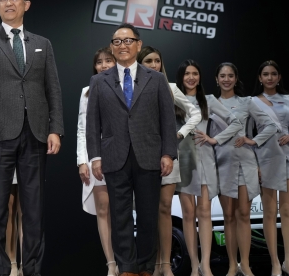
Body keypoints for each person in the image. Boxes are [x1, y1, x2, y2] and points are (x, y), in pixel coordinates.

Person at [0, 0, 64, 275]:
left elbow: (54, 90)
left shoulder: (42, 44)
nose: (9, 3)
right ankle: (1, 270)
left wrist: (55, 128)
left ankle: (32, 270)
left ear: (26, 5)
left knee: (33, 211)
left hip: (35, 135)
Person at [86, 23, 177, 276]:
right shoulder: (98, 81)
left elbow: (168, 120)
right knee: (120, 215)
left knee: (149, 215)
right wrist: (95, 157)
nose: (122, 46)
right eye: (117, 42)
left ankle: (146, 267)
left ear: (138, 44)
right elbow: (92, 123)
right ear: (112, 48)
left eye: (128, 41)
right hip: (114, 156)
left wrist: (168, 153)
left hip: (149, 155)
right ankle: (127, 268)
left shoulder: (157, 79)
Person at [136, 47, 201, 276]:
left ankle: (165, 264)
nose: (153, 64)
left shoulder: (171, 88)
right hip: (141, 157)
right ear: (139, 62)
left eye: (156, 61)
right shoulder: (131, 87)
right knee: (148, 212)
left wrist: (180, 134)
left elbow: (195, 113)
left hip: (167, 155)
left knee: (164, 209)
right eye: (148, 60)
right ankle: (154, 263)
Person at [174, 60, 241, 276]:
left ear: (200, 77)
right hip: (182, 159)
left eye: (195, 73)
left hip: (205, 159)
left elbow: (235, 122)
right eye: (187, 74)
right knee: (187, 214)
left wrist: (214, 139)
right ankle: (194, 266)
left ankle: (206, 265)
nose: (191, 77)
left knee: (204, 213)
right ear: (181, 77)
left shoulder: (209, 100)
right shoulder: (173, 97)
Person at [213, 62, 276, 276]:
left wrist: (253, 141)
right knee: (228, 216)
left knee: (244, 215)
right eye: (223, 76)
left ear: (236, 78)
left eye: (231, 75)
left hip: (245, 164)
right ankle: (232, 265)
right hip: (221, 166)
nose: (227, 79)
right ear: (216, 79)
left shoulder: (247, 102)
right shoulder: (210, 103)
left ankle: (246, 264)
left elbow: (270, 125)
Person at [77, 47, 118, 276]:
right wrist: (82, 160)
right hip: (96, 157)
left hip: (122, 157)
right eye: (99, 62)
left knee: (120, 211)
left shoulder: (127, 88)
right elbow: (82, 128)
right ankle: (111, 264)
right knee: (103, 209)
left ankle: (126, 261)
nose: (103, 65)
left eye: (108, 61)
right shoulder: (87, 92)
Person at [251, 60, 289, 276]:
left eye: (274, 73)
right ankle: (275, 262)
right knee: (269, 212)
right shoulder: (252, 102)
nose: (270, 77)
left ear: (279, 76)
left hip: (287, 158)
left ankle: (288, 261)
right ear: (260, 78)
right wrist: (254, 163)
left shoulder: (287, 99)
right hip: (265, 159)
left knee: (286, 211)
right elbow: (247, 134)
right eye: (265, 74)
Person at [5, 169, 23, 276]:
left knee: (25, 211)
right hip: (7, 159)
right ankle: (12, 263)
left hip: (28, 157)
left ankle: (25, 264)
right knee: (10, 208)